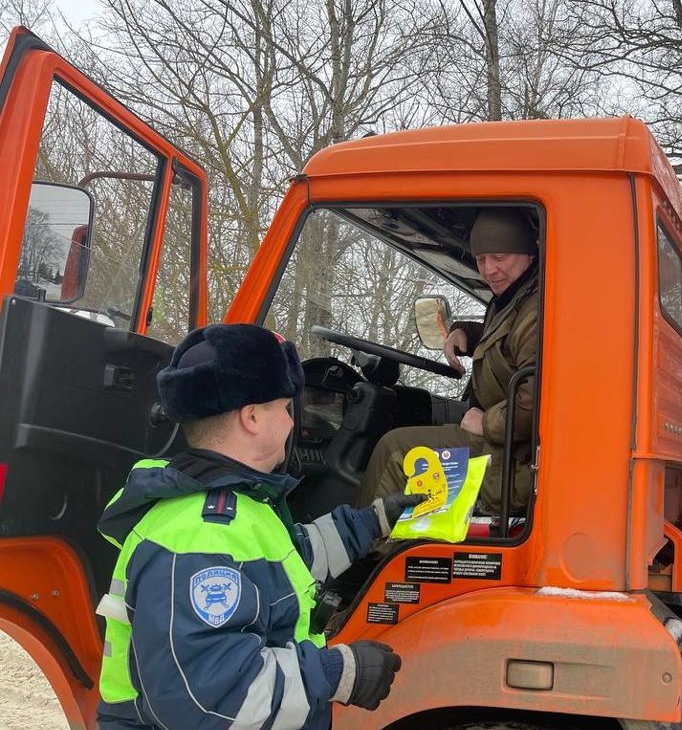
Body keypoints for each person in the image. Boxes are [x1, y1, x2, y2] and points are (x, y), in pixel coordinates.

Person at [95, 324, 418, 729]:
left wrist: (374, 520)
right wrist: (338, 673)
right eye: (284, 408)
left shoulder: (238, 506)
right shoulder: (201, 534)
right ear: (251, 417)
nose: (290, 423)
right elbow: (210, 699)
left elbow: (290, 561)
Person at [358, 207, 539, 515]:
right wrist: (465, 333)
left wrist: (485, 423)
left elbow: (534, 398)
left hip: (512, 454)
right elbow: (507, 339)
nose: (489, 269)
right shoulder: (517, 297)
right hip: (504, 442)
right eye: (481, 259)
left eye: (500, 257)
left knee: (394, 449)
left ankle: (365, 553)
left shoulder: (537, 310)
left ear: (528, 254)